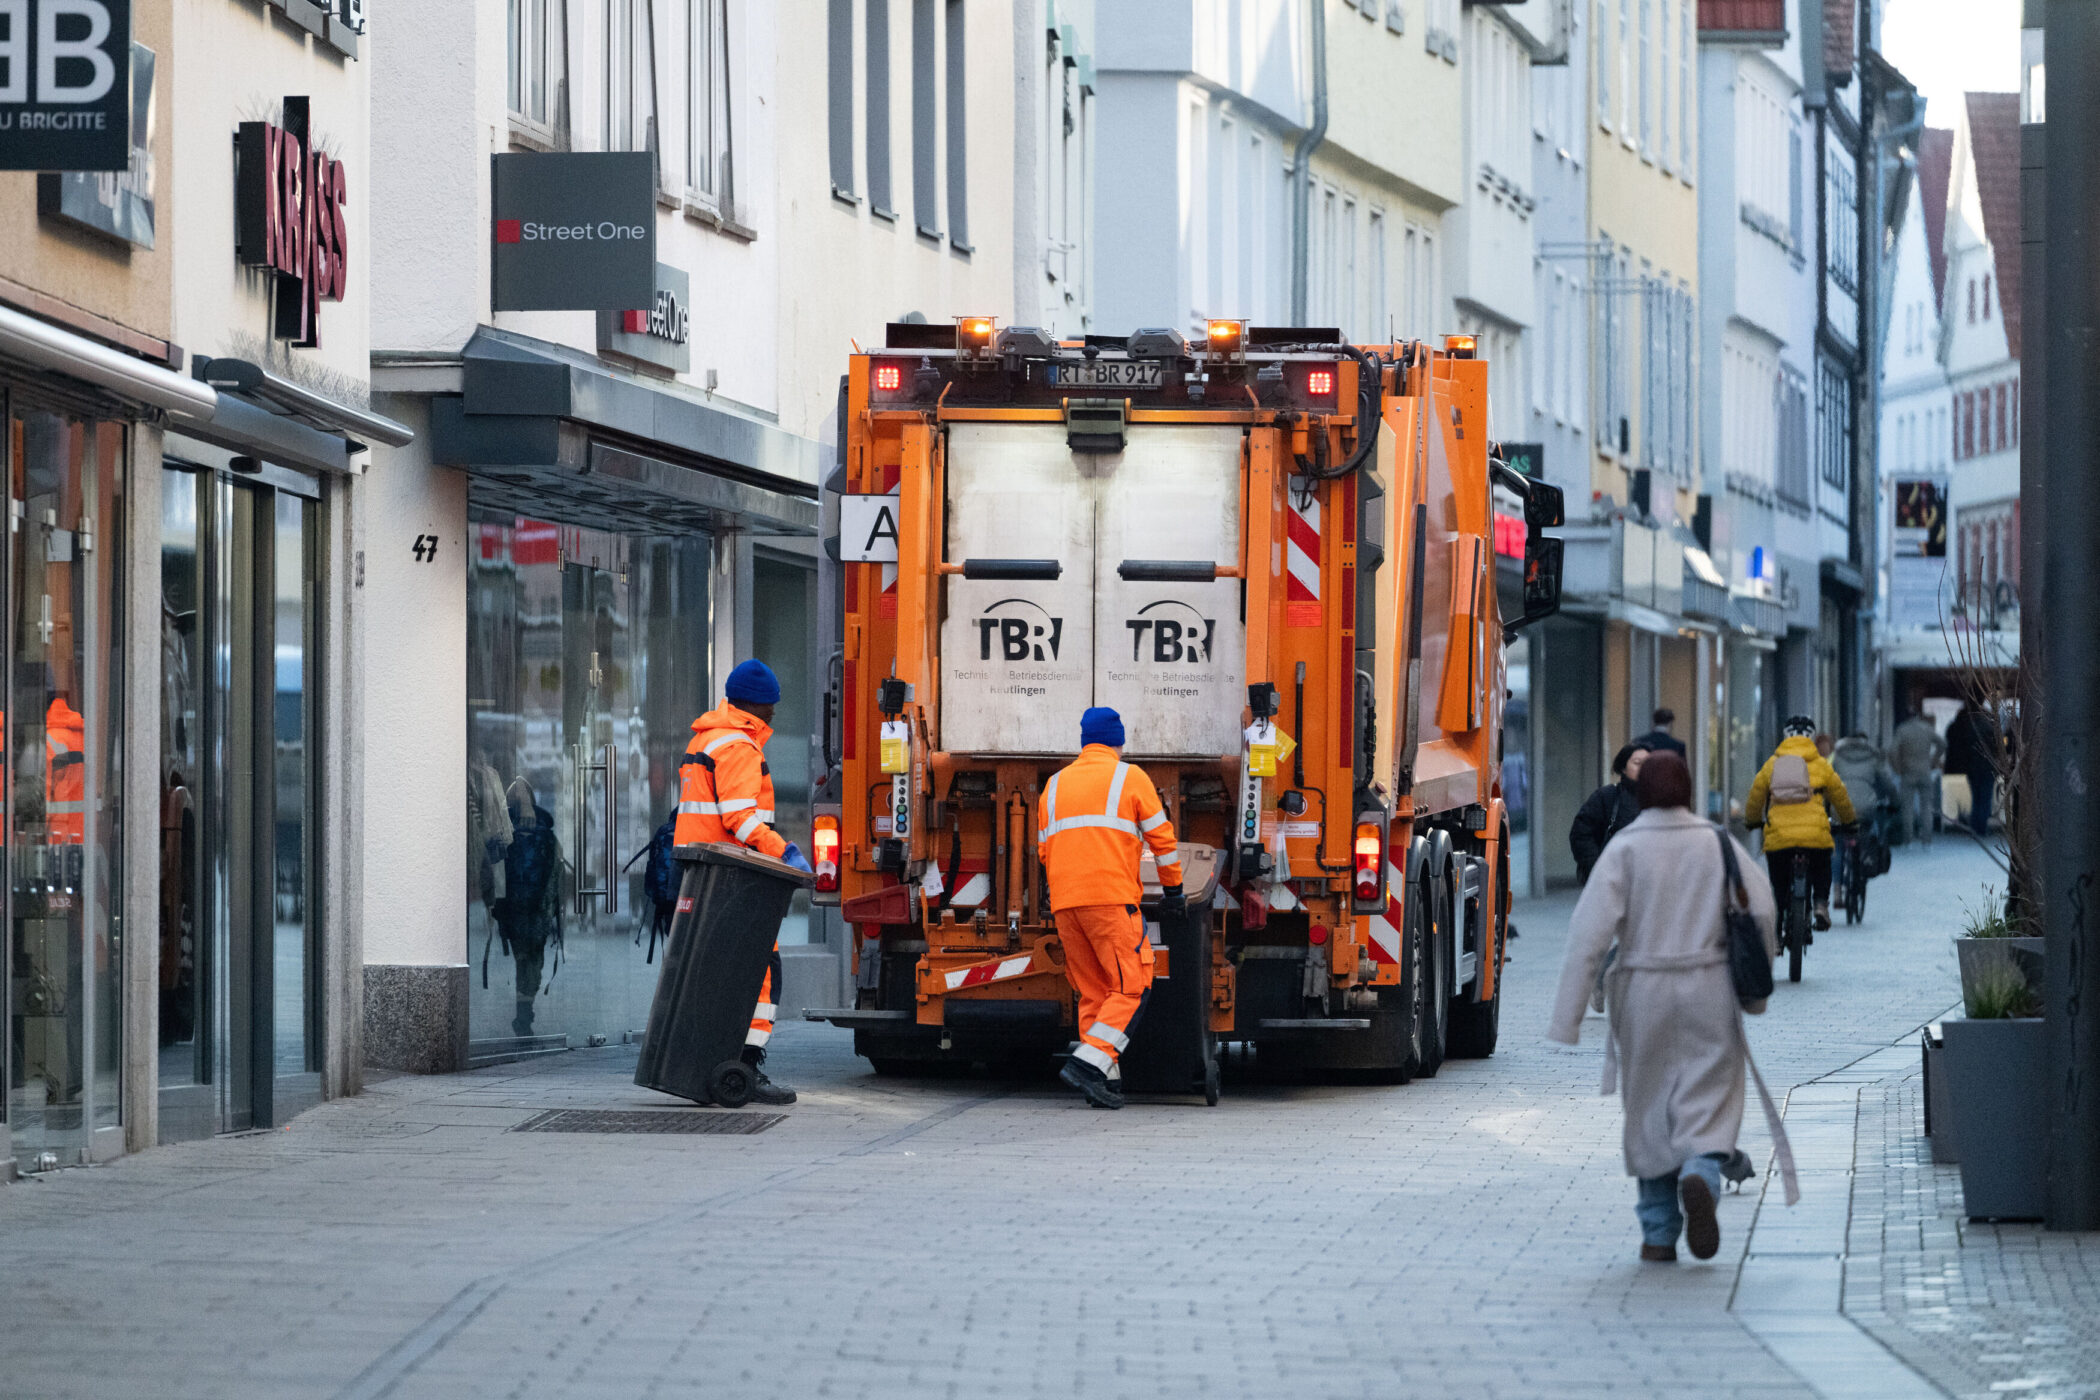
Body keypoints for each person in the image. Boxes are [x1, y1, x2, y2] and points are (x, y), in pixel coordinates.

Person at [1549, 751, 1783, 1264]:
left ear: (1641, 794)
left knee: (1650, 1109)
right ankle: (1701, 1173)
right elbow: (1761, 908)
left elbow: (1587, 934)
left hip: (1642, 993)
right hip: (1709, 986)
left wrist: (1567, 1019)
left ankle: (1658, 1234)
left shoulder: (1625, 848)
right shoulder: (1716, 842)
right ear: (1688, 791)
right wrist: (1757, 991)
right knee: (1710, 1097)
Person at [675, 658, 812, 1107]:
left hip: (711, 871)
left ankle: (712, 1063)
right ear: (755, 704)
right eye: (770, 705)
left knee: (717, 973)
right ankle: (747, 1068)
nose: (774, 714)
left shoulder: (709, 737)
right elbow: (740, 817)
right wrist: (782, 851)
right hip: (736, 872)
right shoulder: (738, 745)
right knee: (760, 973)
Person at [1037, 706, 1183, 1110]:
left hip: (1066, 904)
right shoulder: (1129, 777)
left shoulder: (1054, 785)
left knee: (1094, 991)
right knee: (1132, 985)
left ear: (1084, 741)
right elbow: (1163, 840)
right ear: (1119, 741)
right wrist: (1174, 892)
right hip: (1110, 899)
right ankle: (1088, 1065)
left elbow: (1044, 851)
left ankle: (1104, 1079)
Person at [1744, 716, 1856, 932]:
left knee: (1779, 880)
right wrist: (1849, 821)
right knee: (1822, 864)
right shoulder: (1821, 765)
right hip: (1815, 836)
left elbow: (1756, 796)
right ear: (1812, 738)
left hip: (1779, 837)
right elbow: (1840, 796)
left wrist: (1752, 820)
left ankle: (1778, 925)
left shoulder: (1771, 765)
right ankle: (1821, 904)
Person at [1570, 744, 1649, 885]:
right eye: (1637, 763)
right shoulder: (1607, 796)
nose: (1644, 768)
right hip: (1612, 880)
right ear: (1623, 768)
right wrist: (1597, 869)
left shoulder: (1660, 798)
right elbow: (1581, 833)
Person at [1942, 701, 2000, 838]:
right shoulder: (1989, 728)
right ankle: (1981, 827)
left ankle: (1975, 827)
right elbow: (1997, 747)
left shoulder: (1969, 728)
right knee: (1985, 798)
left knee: (1976, 797)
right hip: (1987, 766)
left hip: (1972, 767)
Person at [1889, 708, 1945, 845]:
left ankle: (1908, 839)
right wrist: (1934, 760)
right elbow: (1942, 743)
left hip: (1908, 772)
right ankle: (1927, 840)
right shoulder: (1926, 728)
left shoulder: (1902, 730)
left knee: (1907, 807)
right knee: (1926, 806)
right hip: (1925, 771)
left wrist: (1898, 768)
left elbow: (1892, 751)